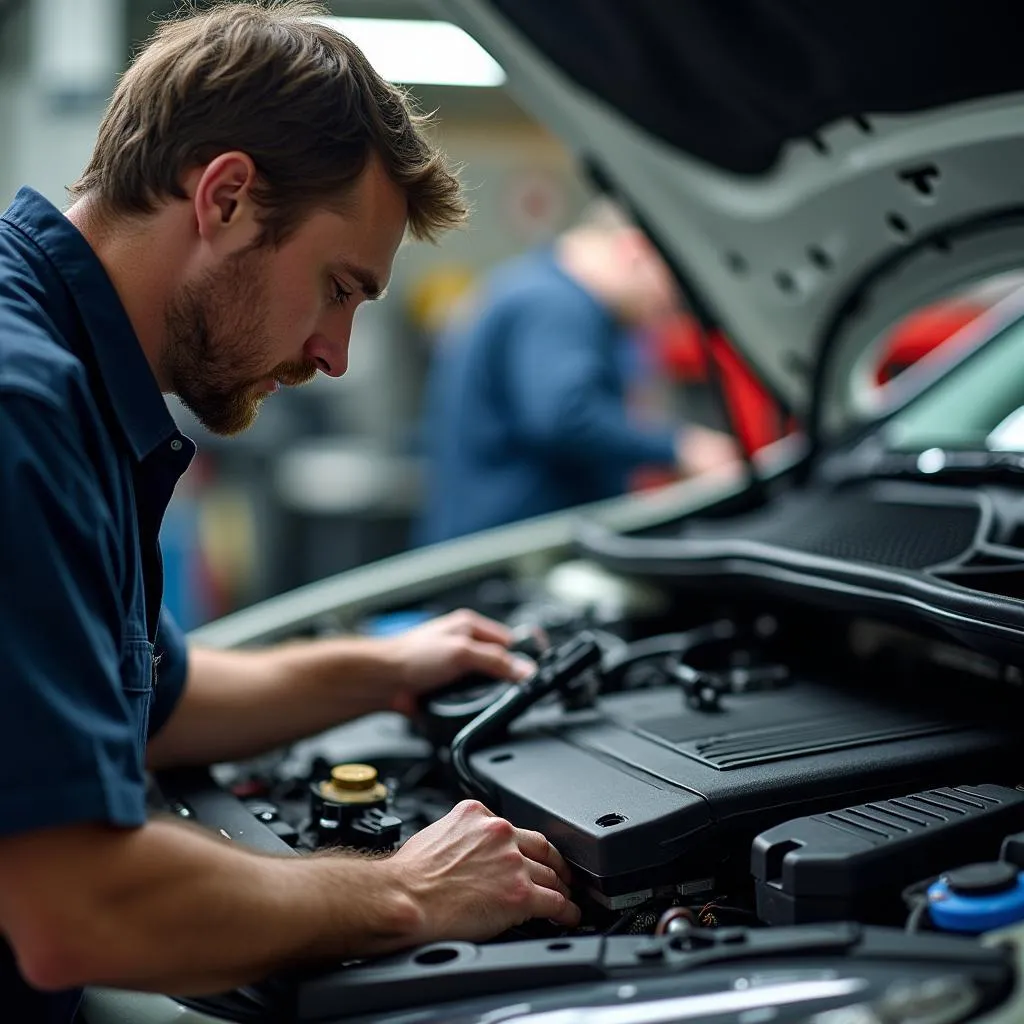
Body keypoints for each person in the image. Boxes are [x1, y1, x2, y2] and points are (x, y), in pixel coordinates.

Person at [0, 3, 581, 1020]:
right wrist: (405, 886)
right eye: (336, 288)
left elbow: (154, 697)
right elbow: (73, 909)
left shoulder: (69, 377)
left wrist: (383, 668)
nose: (334, 353)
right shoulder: (21, 408)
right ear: (225, 197)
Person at [415, 201, 740, 544]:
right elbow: (564, 416)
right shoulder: (553, 304)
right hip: (505, 556)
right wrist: (683, 447)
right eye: (670, 292)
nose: (668, 313)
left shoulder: (540, 289)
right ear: (636, 252)